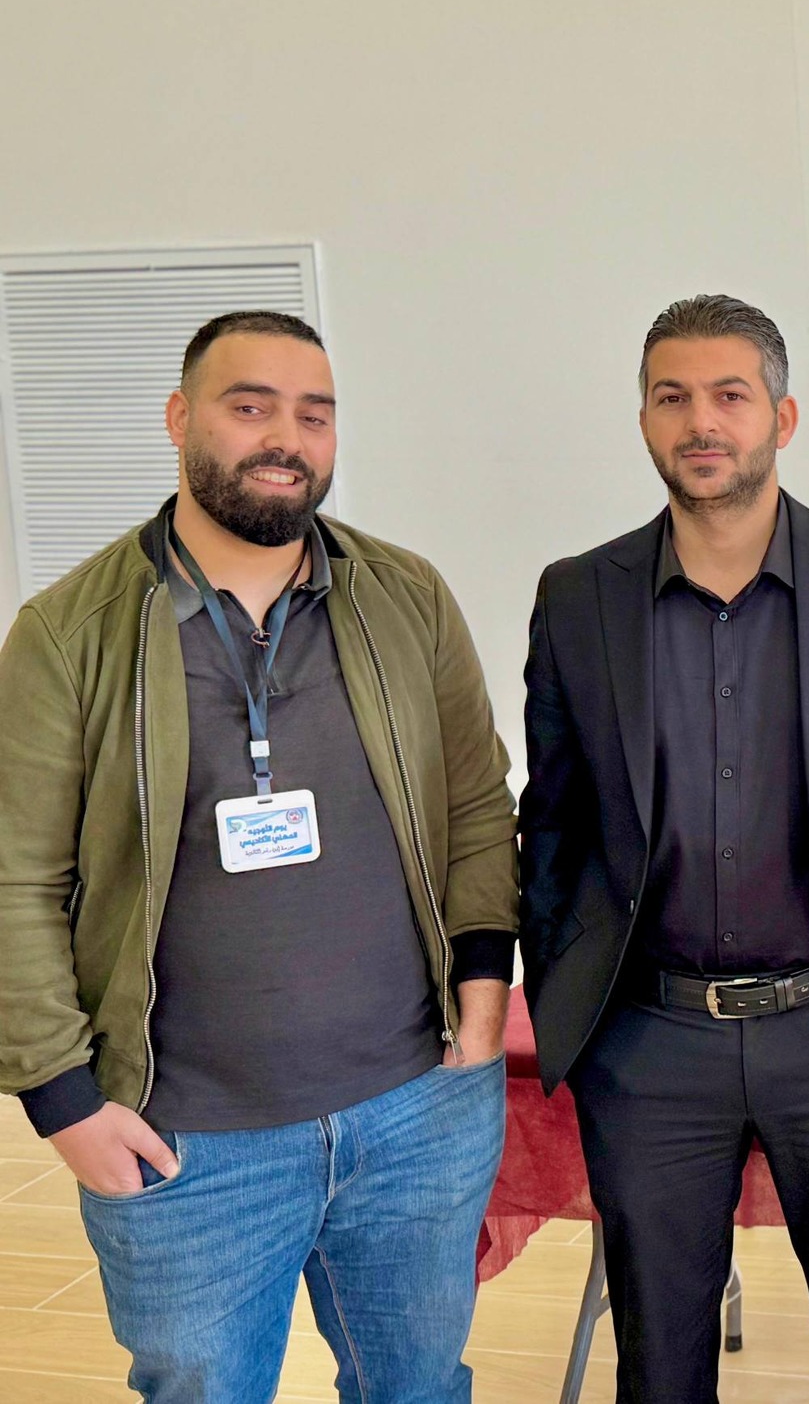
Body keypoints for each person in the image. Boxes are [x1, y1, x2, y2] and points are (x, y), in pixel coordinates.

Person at [0, 309, 519, 1402]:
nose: (286, 437)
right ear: (180, 417)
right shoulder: (67, 633)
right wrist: (62, 1099)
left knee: (421, 1387)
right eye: (251, 406)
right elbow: (15, 879)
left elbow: (476, 803)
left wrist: (481, 998)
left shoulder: (407, 597)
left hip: (416, 1112)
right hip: (187, 1144)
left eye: (314, 414)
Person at [518, 293, 809, 1403]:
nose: (701, 421)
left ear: (782, 415)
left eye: (729, 395)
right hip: (649, 1041)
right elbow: (553, 814)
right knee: (660, 1366)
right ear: (643, 419)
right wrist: (564, 980)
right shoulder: (578, 595)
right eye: (671, 396)